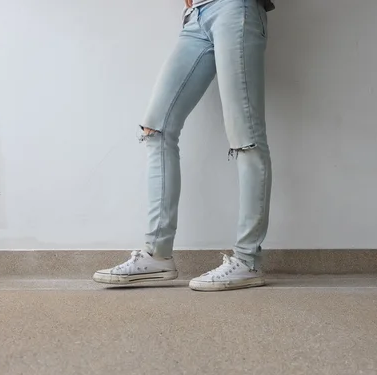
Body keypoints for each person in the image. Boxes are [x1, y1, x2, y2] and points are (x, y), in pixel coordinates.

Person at [93, 0, 275, 291]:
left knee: (246, 136)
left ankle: (247, 260)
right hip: (196, 17)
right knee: (157, 128)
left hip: (234, 9)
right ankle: (157, 255)